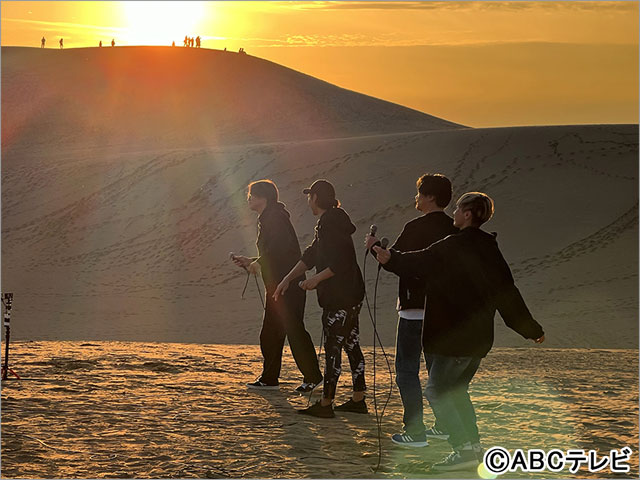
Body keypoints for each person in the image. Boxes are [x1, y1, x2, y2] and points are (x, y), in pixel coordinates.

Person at [373, 192, 545, 471]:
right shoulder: (490, 248)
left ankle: (463, 450)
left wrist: (389, 258)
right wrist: (530, 329)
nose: (453, 213)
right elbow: (507, 293)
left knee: (438, 392)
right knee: (457, 392)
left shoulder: (454, 245)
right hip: (477, 339)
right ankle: (473, 449)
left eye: (458, 209)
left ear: (467, 214)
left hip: (452, 337)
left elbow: (419, 261)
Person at [366, 174, 457, 448]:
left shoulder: (416, 227)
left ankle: (415, 431)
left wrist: (373, 248)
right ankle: (444, 425)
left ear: (430, 196)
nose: (416, 198)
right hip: (447, 312)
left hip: (415, 311)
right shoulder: (456, 228)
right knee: (437, 372)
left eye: (419, 193)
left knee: (407, 370)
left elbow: (392, 261)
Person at [275, 180, 366, 418]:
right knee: (351, 344)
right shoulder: (330, 221)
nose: (308, 202)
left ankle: (326, 403)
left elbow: (341, 260)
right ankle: (358, 399)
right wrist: (288, 278)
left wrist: (316, 280)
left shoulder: (331, 223)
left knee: (334, 347)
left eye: (309, 197)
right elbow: (312, 254)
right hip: (351, 294)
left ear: (316, 197)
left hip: (340, 296)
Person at [231, 180, 322, 393]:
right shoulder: (270, 218)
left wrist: (258, 262)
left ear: (264, 197)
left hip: (287, 285)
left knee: (294, 330)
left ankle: (313, 376)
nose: (249, 198)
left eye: (252, 194)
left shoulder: (275, 218)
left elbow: (279, 250)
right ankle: (270, 378)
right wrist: (251, 261)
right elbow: (274, 253)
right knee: (271, 333)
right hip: (277, 286)